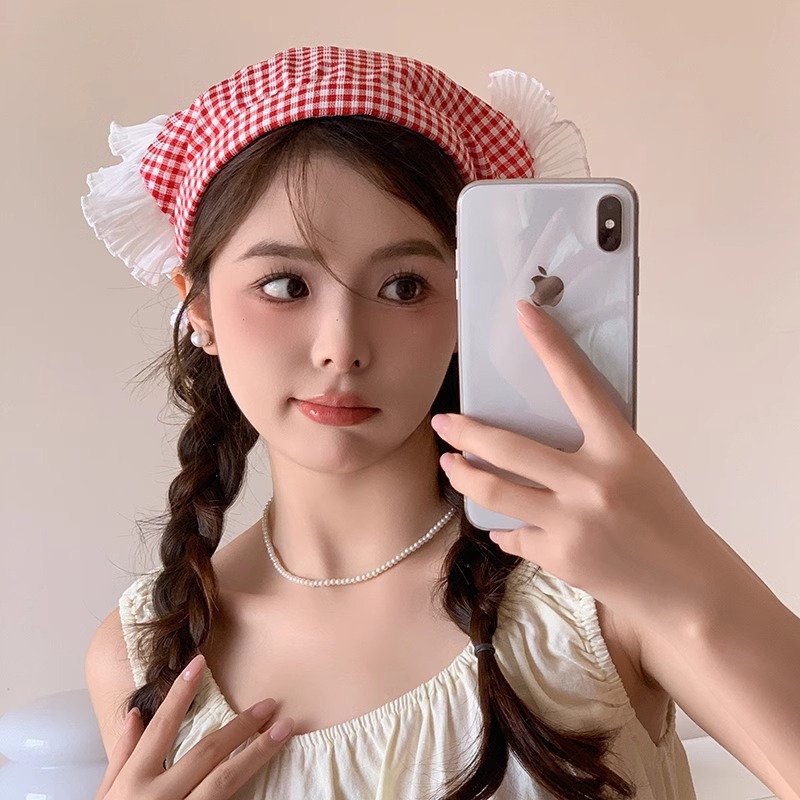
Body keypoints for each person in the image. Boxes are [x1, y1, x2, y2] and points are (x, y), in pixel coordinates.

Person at [80, 46, 799, 800]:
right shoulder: (142, 652)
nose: (341, 348)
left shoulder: (593, 586)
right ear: (198, 308)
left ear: (467, 303)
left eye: (404, 286)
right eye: (285, 284)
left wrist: (688, 575)